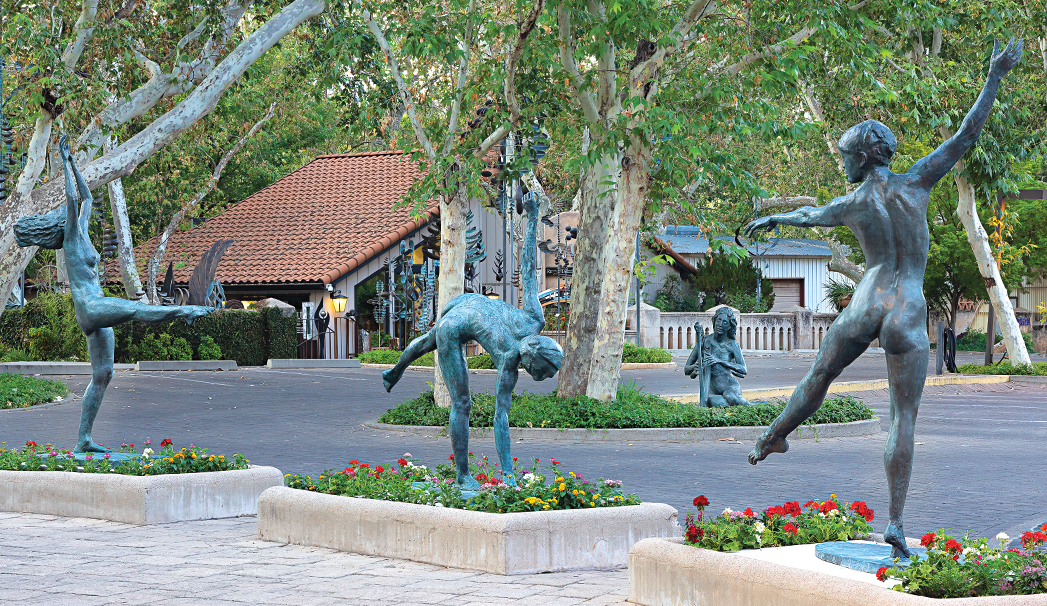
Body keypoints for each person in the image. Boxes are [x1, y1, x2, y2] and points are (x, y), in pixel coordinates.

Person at [744, 39, 1022, 558]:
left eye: (847, 155)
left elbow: (809, 215)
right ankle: (895, 520)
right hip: (908, 308)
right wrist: (994, 74)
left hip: (868, 299)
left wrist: (773, 218)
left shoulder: (854, 201)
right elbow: (967, 134)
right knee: (903, 418)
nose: (844, 163)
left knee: (819, 376)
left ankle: (773, 436)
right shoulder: (917, 182)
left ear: (864, 155)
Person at [14, 136, 214, 453]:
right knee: (135, 310)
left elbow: (87, 199)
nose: (65, 216)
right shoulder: (69, 237)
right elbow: (70, 198)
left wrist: (76, 167)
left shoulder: (79, 229)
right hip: (91, 306)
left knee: (104, 375)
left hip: (96, 311)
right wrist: (65, 161)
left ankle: (83, 439)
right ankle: (184, 311)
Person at [383, 186, 563, 490]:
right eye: (541, 375)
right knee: (462, 404)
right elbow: (500, 420)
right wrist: (507, 474)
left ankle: (395, 370)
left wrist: (532, 218)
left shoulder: (535, 319)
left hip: (467, 303)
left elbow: (529, 268)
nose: (539, 379)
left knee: (429, 339)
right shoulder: (509, 363)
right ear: (532, 364)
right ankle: (463, 476)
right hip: (455, 328)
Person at [684, 307, 749, 407]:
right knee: (722, 404)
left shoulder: (732, 344)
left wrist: (719, 361)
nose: (720, 324)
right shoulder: (704, 342)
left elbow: (743, 369)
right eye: (718, 320)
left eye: (725, 322)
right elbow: (686, 369)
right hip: (712, 390)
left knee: (731, 397)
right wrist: (695, 367)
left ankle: (752, 407)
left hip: (730, 386)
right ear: (714, 321)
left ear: (729, 327)